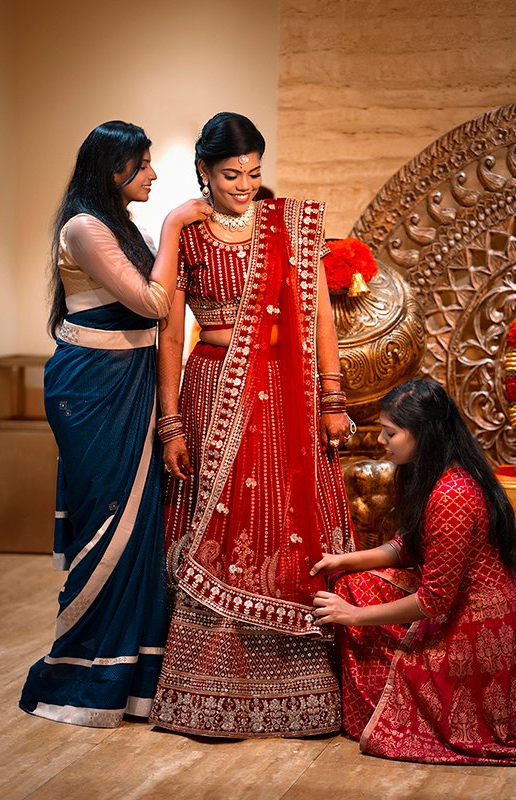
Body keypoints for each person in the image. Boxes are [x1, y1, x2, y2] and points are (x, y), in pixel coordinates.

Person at [148, 112, 358, 738]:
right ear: (204, 173)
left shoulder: (288, 227)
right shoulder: (188, 230)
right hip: (213, 386)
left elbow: (318, 312)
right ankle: (210, 690)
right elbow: (167, 330)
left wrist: (332, 395)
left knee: (284, 524)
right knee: (215, 527)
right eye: (231, 174)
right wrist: (171, 421)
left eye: (254, 172)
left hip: (283, 396)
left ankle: (303, 692)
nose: (244, 185)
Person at [19, 120, 212, 727]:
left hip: (129, 382)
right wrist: (180, 224)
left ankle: (132, 680)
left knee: (141, 525)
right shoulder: (83, 227)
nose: (154, 175)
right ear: (113, 169)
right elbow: (153, 303)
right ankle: (82, 672)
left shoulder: (119, 225)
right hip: (93, 388)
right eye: (144, 164)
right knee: (108, 520)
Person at [312, 378, 516, 764]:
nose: (381, 441)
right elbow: (409, 546)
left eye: (391, 433)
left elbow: (434, 599)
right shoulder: (433, 474)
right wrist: (344, 559)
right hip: (457, 602)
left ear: (422, 434)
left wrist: (353, 615)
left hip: (477, 622)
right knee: (351, 582)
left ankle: (381, 712)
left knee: (354, 605)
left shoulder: (452, 493)